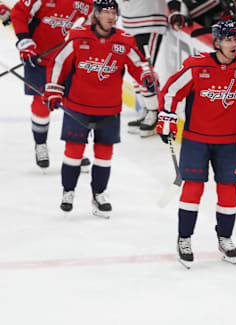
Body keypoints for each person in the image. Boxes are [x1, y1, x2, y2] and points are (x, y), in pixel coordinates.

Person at [156, 19, 236, 268]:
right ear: (216, 43)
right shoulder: (197, 66)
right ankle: (184, 238)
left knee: (228, 191)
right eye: (228, 40)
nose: (234, 44)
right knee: (193, 190)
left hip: (229, 142)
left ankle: (225, 237)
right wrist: (167, 117)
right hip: (197, 139)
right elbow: (171, 91)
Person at [44, 0, 156, 217]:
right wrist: (53, 89)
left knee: (104, 154)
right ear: (96, 15)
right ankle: (68, 192)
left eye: (114, 12)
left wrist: (146, 76)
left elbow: (139, 65)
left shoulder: (124, 40)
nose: (111, 16)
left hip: (109, 108)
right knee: (73, 152)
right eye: (106, 12)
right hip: (77, 106)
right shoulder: (78, 36)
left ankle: (99, 194)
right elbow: (59, 62)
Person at [10, 0, 93, 170]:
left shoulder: (88, 4)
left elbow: (94, 30)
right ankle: (40, 144)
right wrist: (25, 41)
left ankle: (74, 151)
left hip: (68, 61)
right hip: (39, 59)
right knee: (41, 104)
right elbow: (18, 13)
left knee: (74, 106)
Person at [118, 0, 171, 136]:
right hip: (129, 23)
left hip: (151, 22)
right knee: (135, 70)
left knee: (145, 69)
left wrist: (175, 9)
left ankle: (154, 112)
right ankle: (147, 108)